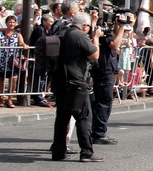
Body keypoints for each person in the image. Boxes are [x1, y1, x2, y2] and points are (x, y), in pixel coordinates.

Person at [50, 12, 103, 162]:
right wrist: (96, 38)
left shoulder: (62, 32)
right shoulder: (79, 35)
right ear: (85, 26)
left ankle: (58, 152)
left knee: (62, 118)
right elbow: (94, 55)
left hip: (60, 81)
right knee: (84, 117)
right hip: (76, 83)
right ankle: (86, 152)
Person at [90, 15, 126, 145]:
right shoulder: (102, 33)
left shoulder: (102, 33)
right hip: (104, 70)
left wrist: (117, 26)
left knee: (101, 101)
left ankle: (96, 131)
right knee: (104, 101)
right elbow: (115, 45)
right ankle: (98, 133)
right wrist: (121, 27)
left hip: (104, 70)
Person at [0, 15, 27, 108]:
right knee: (1, 79)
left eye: (13, 22)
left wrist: (24, 44)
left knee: (13, 78)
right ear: (6, 23)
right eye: (10, 22)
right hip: (2, 58)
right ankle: (1, 98)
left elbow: (21, 42)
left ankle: (9, 99)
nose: (12, 24)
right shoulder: (1, 32)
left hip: (13, 59)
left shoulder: (17, 33)